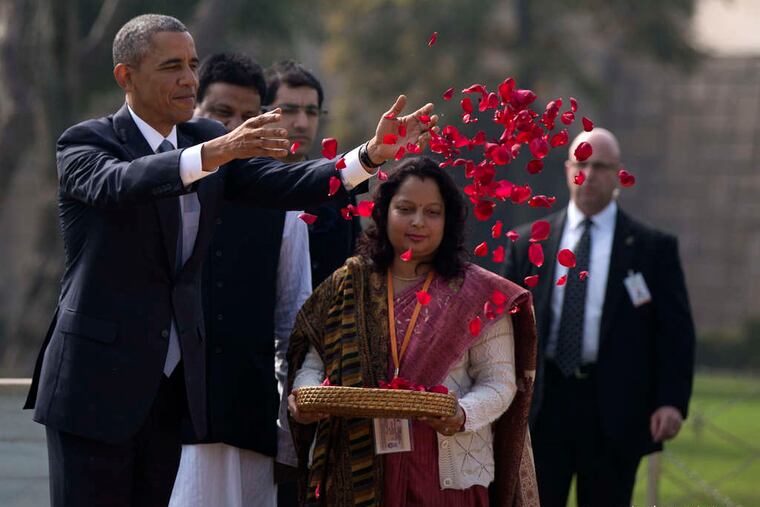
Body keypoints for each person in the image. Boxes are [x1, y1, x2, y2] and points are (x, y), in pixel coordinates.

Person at [23, 13, 435, 506]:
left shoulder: (204, 142)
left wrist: (368, 156)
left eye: (192, 65)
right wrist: (215, 153)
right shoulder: (87, 142)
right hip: (93, 388)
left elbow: (287, 184)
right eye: (171, 65)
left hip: (171, 391)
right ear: (125, 76)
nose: (188, 79)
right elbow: (120, 184)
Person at [287, 157, 540, 506]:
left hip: (449, 477)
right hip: (359, 465)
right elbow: (315, 362)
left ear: (448, 220)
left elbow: (499, 384)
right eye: (405, 208)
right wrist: (307, 399)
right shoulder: (349, 283)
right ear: (383, 212)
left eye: (432, 212)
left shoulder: (477, 294)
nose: (418, 222)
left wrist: (461, 414)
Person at [502, 128, 696, 507]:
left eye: (601, 166)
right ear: (567, 168)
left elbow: (675, 333)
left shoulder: (652, 249)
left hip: (615, 411)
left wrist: (671, 401)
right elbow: (503, 329)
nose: (589, 175)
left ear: (619, 174)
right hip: (543, 409)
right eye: (582, 163)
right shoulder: (528, 244)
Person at [168, 52, 309, 507]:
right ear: (193, 112)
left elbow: (293, 326)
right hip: (164, 423)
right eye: (222, 114)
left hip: (247, 422)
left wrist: (290, 437)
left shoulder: (283, 209)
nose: (237, 129)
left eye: (250, 116)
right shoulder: (162, 190)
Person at [264, 60, 364, 288]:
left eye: (311, 112)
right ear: (261, 112)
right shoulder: (241, 186)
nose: (301, 123)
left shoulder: (338, 187)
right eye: (288, 111)